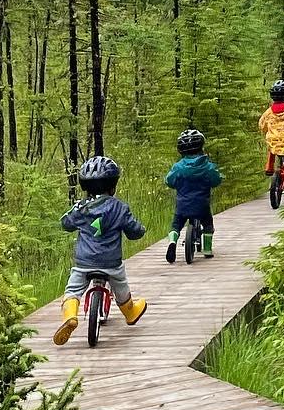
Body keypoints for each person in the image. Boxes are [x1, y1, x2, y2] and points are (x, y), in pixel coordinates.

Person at [53, 155, 148, 346]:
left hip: (84, 263)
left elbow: (65, 223)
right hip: (111, 263)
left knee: (72, 290)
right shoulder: (120, 207)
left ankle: (70, 316)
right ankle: (130, 312)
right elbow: (134, 230)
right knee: (121, 286)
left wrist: (77, 216)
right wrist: (139, 231)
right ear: (113, 186)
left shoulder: (81, 207)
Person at [164, 127, 223, 263]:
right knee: (207, 224)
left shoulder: (178, 167)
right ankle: (207, 249)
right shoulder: (207, 166)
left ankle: (172, 242)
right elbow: (216, 180)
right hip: (202, 204)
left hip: (182, 205)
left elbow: (170, 181)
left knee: (176, 225)